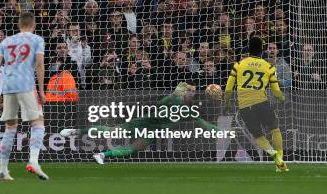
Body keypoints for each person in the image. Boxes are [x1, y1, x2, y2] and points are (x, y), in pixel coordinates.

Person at [60, 81, 220, 164]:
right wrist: (172, 95)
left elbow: (202, 124)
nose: (192, 92)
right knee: (111, 131)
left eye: (193, 90)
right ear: (184, 91)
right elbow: (161, 104)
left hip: (154, 132)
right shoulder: (175, 99)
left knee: (133, 149)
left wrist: (219, 131)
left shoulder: (191, 109)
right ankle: (75, 131)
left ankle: (101, 155)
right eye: (189, 90)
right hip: (145, 123)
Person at [0, 12, 48, 180]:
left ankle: (3, 170)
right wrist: (41, 90)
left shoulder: (6, 41)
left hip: (8, 87)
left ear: (18, 24)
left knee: (10, 128)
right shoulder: (37, 40)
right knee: (38, 122)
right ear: (34, 24)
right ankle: (33, 160)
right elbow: (39, 64)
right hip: (26, 85)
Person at [224, 37, 288, 172]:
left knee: (258, 135)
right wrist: (282, 99)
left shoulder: (238, 65)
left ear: (248, 49)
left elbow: (228, 89)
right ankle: (280, 161)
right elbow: (276, 92)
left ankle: (272, 153)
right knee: (275, 129)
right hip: (261, 103)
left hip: (245, 107)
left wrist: (226, 105)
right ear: (262, 50)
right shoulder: (268, 67)